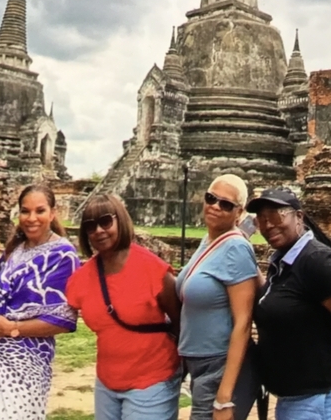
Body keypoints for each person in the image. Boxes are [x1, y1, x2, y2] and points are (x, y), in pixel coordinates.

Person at [66, 193, 182, 420]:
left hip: (153, 377)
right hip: (107, 381)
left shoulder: (152, 269)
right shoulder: (81, 279)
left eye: (106, 221)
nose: (98, 230)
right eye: (90, 226)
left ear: (120, 220)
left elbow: (182, 321)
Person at [0, 184, 80, 420]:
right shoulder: (14, 250)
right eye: (25, 211)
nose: (31, 218)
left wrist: (11, 328)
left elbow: (64, 320)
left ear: (53, 213)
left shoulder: (63, 255)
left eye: (40, 211)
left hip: (27, 360)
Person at [175, 174, 259, 420]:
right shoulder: (209, 239)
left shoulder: (237, 249)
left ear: (239, 212)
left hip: (218, 364)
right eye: (211, 198)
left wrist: (224, 396)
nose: (215, 206)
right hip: (196, 362)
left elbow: (243, 322)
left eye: (226, 204)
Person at [249, 187, 331, 420]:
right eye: (262, 220)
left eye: (276, 216)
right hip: (294, 399)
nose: (268, 225)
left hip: (314, 399)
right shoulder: (283, 264)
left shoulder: (316, 260)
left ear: (299, 217)